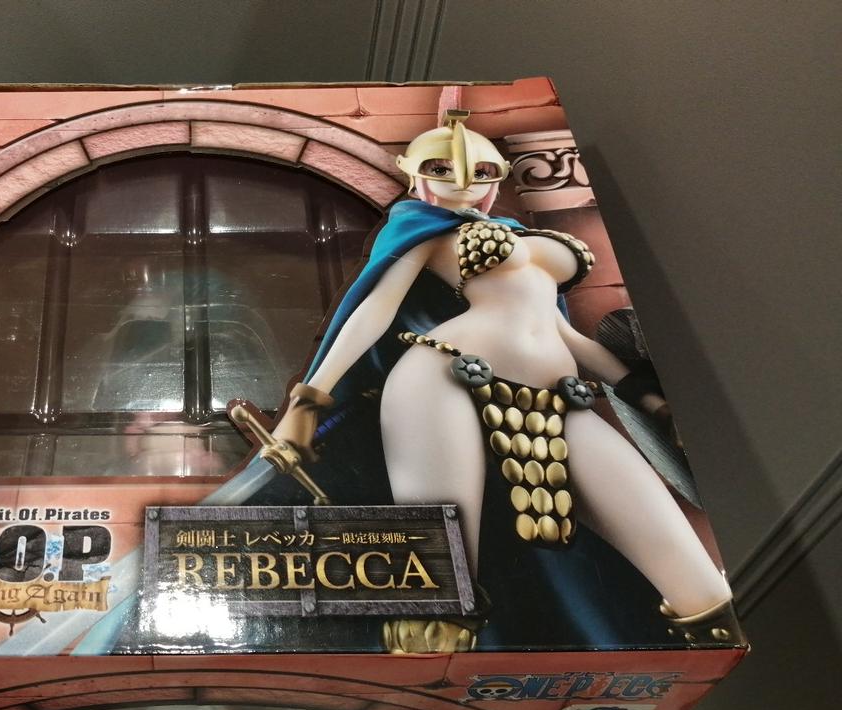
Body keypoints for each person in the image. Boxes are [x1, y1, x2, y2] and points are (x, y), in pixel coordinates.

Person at [265, 106, 740, 653]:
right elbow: (372, 310)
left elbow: (566, 334)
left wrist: (654, 404)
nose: (464, 182)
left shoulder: (515, 234)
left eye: (483, 172)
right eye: (441, 170)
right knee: (442, 578)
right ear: (412, 174)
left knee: (700, 586)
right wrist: (307, 403)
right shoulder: (417, 228)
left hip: (559, 397)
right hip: (443, 378)